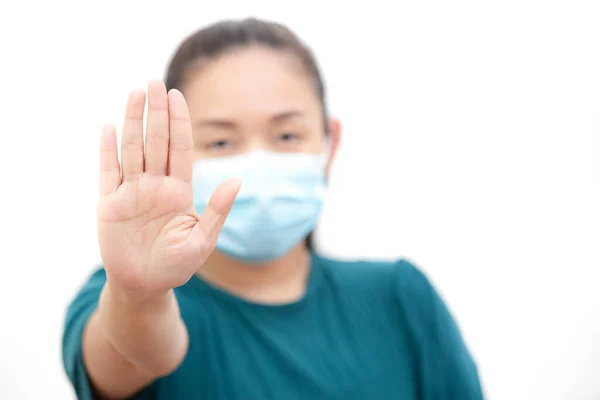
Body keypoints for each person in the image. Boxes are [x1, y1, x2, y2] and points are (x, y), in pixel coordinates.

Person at [62, 17, 484, 400]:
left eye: (286, 136)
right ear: (176, 153)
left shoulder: (399, 299)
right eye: (222, 142)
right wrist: (139, 297)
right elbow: (137, 355)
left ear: (328, 142)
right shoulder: (123, 293)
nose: (257, 164)